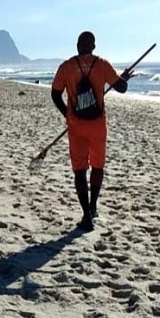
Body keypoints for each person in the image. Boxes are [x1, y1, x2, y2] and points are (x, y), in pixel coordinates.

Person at [51, 31, 133, 232]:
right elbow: (122, 88)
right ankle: (93, 205)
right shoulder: (102, 65)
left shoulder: (67, 67)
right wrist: (123, 78)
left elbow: (55, 94)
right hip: (97, 126)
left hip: (76, 127)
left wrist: (67, 115)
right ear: (93, 46)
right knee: (97, 166)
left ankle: (87, 215)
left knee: (79, 170)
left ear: (78, 45)